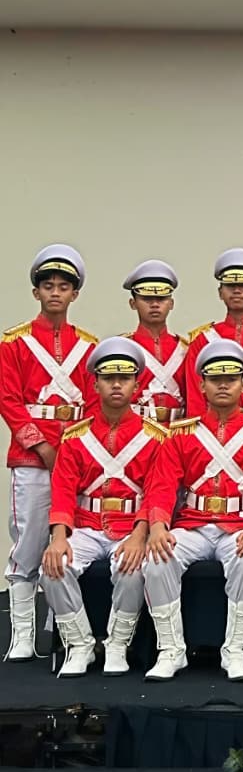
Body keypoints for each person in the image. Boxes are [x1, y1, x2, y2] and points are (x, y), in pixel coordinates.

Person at [142, 340, 243, 681]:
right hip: (193, 525)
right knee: (157, 560)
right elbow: (162, 485)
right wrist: (158, 526)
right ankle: (170, 650)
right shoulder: (180, 435)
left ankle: (235, 650)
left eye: (231, 379)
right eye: (215, 379)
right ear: (202, 385)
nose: (223, 385)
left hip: (241, 525)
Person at [40, 338, 165, 676]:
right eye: (108, 378)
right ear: (95, 384)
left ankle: (118, 644)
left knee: (133, 567)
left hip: (130, 526)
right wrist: (58, 537)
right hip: (86, 524)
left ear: (137, 385)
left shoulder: (156, 438)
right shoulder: (74, 437)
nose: (116, 385)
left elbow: (156, 493)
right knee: (52, 567)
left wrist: (139, 536)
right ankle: (79, 643)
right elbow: (63, 491)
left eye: (124, 378)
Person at [1, 245, 97, 661]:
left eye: (63, 287)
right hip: (32, 458)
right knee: (28, 543)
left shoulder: (89, 347)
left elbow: (92, 406)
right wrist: (41, 445)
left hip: (75, 460)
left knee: (71, 542)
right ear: (36, 292)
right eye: (48, 286)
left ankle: (60, 628)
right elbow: (9, 400)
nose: (55, 293)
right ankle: (22, 634)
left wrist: (73, 455)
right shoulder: (14, 343)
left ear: (75, 294)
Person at [185, 249, 243, 418]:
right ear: (220, 292)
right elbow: (195, 396)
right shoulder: (202, 339)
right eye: (230, 285)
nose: (237, 290)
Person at [123, 260, 189, 425]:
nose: (154, 304)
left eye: (161, 298)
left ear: (171, 303)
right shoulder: (122, 348)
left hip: (176, 431)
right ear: (133, 303)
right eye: (146, 298)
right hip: (137, 431)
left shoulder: (186, 349)